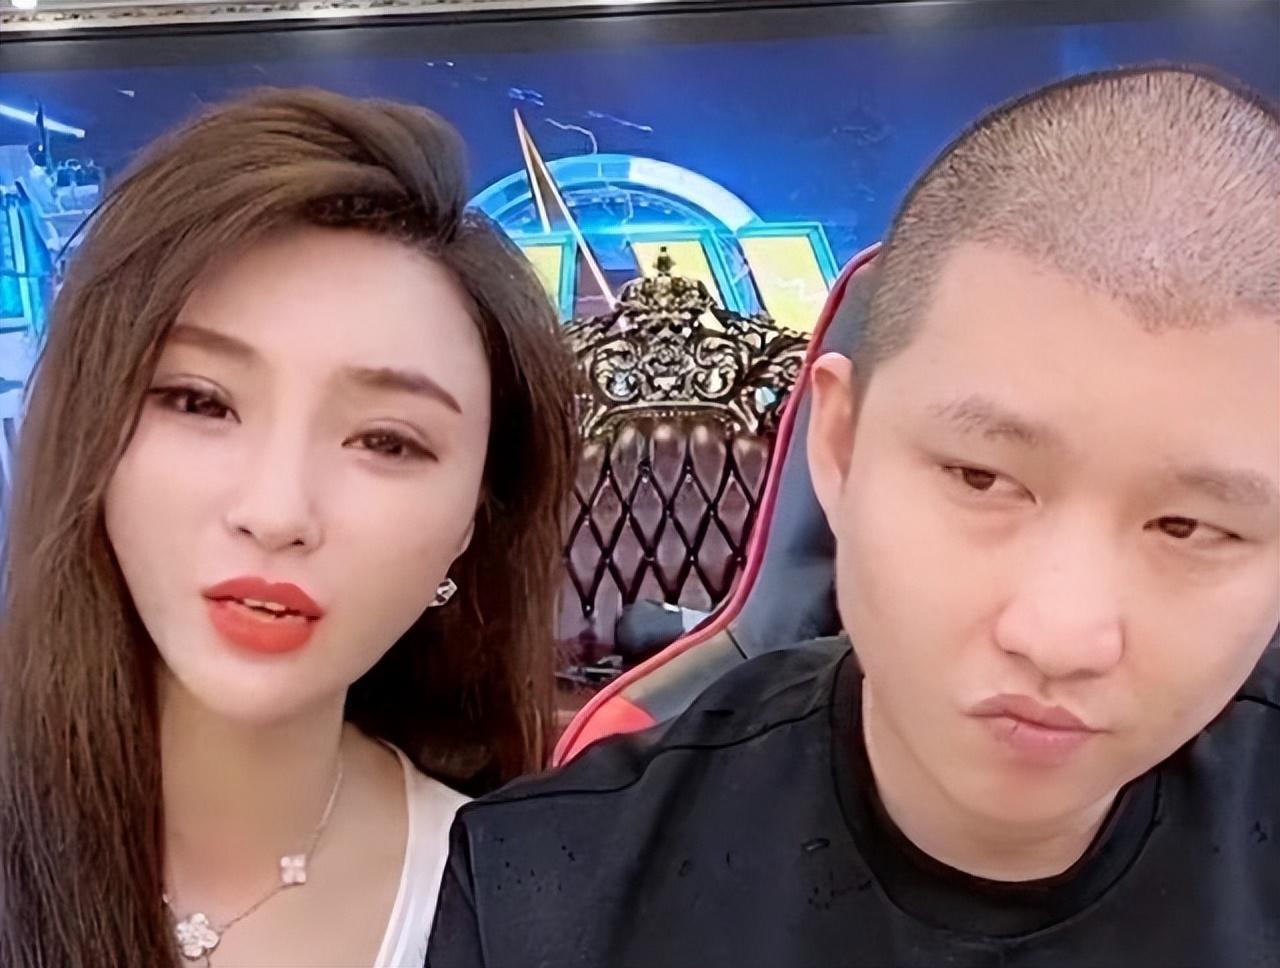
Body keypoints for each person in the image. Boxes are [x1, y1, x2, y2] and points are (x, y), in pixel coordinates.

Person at [427, 66, 1280, 967]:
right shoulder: (548, 893)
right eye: (982, 478)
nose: (1061, 638)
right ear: (837, 442)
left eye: (1189, 528)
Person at [0, 88, 578, 968]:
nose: (275, 515)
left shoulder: (523, 908)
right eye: (200, 401)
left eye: (386, 441)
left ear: (474, 518)